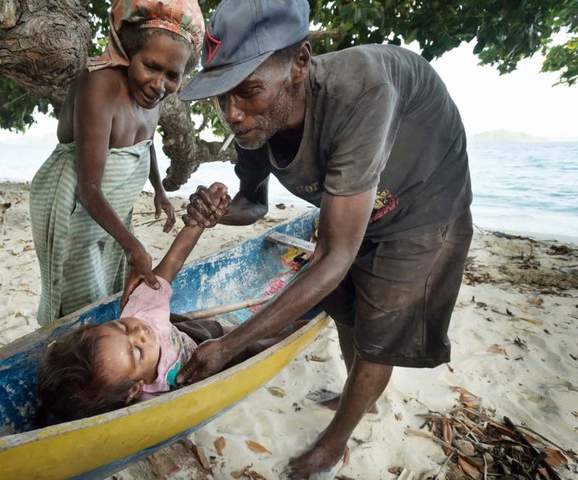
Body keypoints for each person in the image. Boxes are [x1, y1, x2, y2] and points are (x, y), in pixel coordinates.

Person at [175, 0, 473, 477]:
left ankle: (336, 439)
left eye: (248, 90)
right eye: (221, 95)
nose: (231, 113)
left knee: (381, 332)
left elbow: (334, 255)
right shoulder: (255, 123)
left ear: (300, 62)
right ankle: (358, 393)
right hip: (357, 209)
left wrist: (230, 347)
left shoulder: (361, 91)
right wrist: (212, 212)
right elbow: (254, 204)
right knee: (345, 305)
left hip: (424, 201)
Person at [29, 0, 204, 325]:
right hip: (75, 204)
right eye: (151, 67)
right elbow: (88, 187)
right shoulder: (100, 86)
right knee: (79, 299)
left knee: (111, 283)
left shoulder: (152, 95)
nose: (159, 84)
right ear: (128, 53)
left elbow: (145, 143)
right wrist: (134, 246)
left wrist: (159, 189)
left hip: (111, 205)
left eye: (172, 76)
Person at [36, 183, 232, 424]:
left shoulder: (141, 311)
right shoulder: (146, 402)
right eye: (137, 352)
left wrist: (198, 221)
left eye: (121, 327)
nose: (139, 332)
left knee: (228, 337)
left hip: (189, 336)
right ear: (134, 390)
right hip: (189, 366)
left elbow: (173, 262)